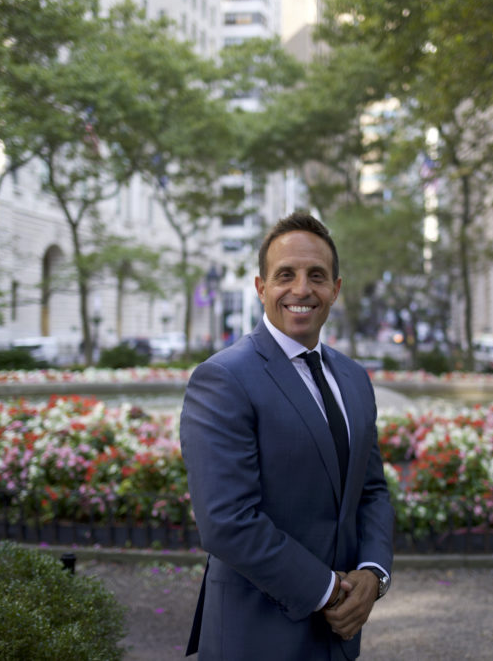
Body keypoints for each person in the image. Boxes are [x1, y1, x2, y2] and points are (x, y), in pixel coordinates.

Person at [179, 211, 394, 660]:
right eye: (285, 275)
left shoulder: (354, 378)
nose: (301, 289)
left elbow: (371, 490)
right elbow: (226, 521)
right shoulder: (222, 378)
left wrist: (374, 575)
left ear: (335, 289)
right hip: (254, 636)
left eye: (316, 276)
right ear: (261, 287)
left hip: (340, 637)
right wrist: (332, 589)